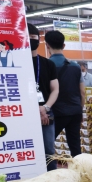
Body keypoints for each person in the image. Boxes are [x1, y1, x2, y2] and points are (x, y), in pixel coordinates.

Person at [45, 30, 85, 157]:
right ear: (63, 46)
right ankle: (80, 172)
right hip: (75, 111)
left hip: (55, 113)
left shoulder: (45, 66)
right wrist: (80, 110)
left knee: (47, 145)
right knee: (75, 146)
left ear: (47, 46)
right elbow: (82, 92)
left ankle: (49, 173)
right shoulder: (75, 66)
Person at [28, 23, 59, 172]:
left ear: (39, 39)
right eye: (26, 37)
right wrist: (35, 110)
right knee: (28, 149)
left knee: (48, 151)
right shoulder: (15, 64)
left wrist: (45, 107)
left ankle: (52, 180)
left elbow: (55, 89)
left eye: (33, 37)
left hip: (46, 112)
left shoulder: (48, 64)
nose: (30, 40)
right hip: (24, 114)